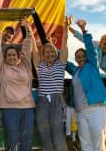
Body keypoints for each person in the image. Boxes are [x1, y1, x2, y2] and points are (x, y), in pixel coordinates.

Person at [0, 14, 35, 151]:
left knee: (27, 142)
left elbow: (28, 47)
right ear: (5, 57)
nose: (11, 57)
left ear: (18, 56)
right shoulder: (2, 68)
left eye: (14, 55)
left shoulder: (25, 66)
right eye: (9, 55)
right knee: (13, 141)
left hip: (28, 108)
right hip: (10, 109)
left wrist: (28, 29)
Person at [66, 19, 106, 151]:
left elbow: (91, 49)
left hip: (95, 109)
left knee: (98, 142)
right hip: (80, 112)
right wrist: (50, 43)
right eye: (77, 56)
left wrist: (84, 30)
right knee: (85, 144)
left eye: (82, 56)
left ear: (87, 57)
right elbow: (63, 61)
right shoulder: (75, 72)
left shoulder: (92, 66)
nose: (80, 58)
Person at [32, 17, 69, 151]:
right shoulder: (40, 65)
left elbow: (64, 45)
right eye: (47, 52)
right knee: (44, 135)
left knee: (58, 135)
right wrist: (29, 32)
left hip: (57, 101)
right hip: (42, 101)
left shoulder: (60, 64)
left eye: (52, 51)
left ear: (56, 53)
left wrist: (66, 27)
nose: (50, 53)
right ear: (42, 54)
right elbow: (33, 49)